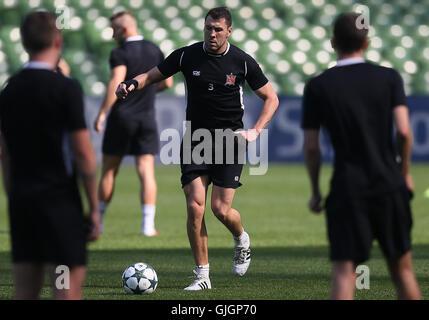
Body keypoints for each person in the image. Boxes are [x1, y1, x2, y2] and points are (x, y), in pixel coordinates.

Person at [116, 6, 279, 290]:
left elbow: (271, 98)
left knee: (220, 209)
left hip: (230, 141)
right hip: (195, 140)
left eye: (218, 29)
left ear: (229, 31)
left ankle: (241, 238)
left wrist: (256, 130)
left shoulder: (241, 61)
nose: (212, 34)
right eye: (208, 28)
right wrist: (132, 83)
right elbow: (153, 75)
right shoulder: (186, 54)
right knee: (195, 208)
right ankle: (202, 276)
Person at [301, 12, 421, 300]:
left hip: (347, 188)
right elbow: (404, 132)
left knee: (344, 274)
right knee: (403, 271)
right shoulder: (389, 78)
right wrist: (404, 173)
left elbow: (312, 147)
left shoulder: (318, 86)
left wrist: (316, 191)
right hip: (389, 184)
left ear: (333, 43)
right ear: (366, 42)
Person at [0, 11, 100, 299]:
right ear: (58, 40)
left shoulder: (9, 91)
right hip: (59, 207)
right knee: (64, 288)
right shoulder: (65, 88)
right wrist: (93, 207)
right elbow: (82, 153)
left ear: (23, 41)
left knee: (26, 291)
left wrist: (14, 195)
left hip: (23, 204)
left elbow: (5, 154)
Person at [93, 11, 173, 236]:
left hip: (122, 118)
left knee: (109, 171)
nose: (112, 35)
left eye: (114, 30)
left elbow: (115, 83)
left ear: (125, 29)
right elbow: (167, 83)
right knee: (146, 172)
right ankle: (148, 226)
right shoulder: (154, 49)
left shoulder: (120, 52)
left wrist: (102, 113)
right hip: (147, 118)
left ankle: (97, 222)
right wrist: (145, 93)